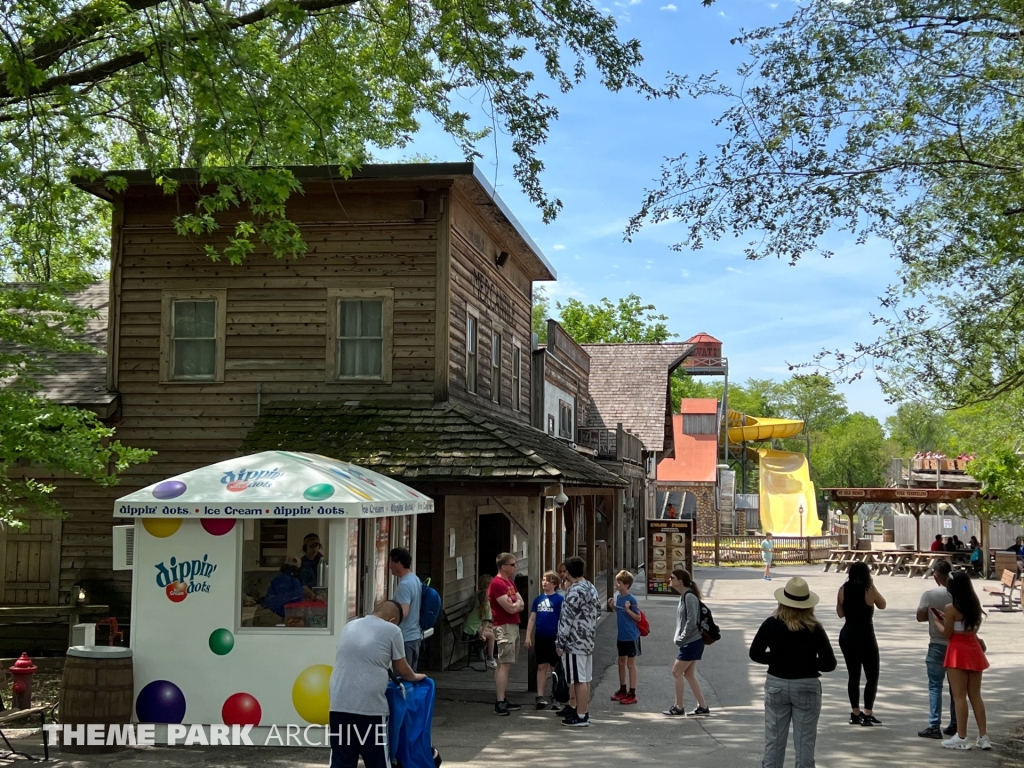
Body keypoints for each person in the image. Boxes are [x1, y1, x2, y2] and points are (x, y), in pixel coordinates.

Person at [749, 576, 837, 768]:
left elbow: (755, 653)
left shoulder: (771, 624)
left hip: (777, 683)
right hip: (806, 685)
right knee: (804, 742)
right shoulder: (815, 628)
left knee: (774, 738)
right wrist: (807, 662)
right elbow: (829, 663)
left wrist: (778, 658)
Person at [328, 600, 426, 768]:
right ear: (393, 620)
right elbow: (401, 669)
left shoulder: (350, 626)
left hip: (339, 705)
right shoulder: (392, 630)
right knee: (377, 760)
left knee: (342, 760)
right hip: (370, 708)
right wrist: (416, 677)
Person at [936, 572, 991, 750]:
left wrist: (938, 621)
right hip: (973, 649)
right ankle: (983, 736)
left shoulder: (951, 608)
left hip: (957, 651)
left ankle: (961, 736)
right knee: (976, 695)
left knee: (959, 696)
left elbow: (947, 634)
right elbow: (972, 630)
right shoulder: (975, 606)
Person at [836, 561, 886, 725]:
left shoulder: (843, 589)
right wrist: (872, 586)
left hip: (847, 635)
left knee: (854, 675)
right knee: (872, 676)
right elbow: (883, 605)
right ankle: (868, 712)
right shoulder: (868, 590)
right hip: (865, 636)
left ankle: (855, 712)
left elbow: (840, 613)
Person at [555, 556, 600, 727]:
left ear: (567, 572)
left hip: (574, 642)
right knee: (585, 678)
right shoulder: (590, 587)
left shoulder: (573, 591)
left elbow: (566, 620)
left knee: (578, 679)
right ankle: (583, 710)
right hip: (588, 639)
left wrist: (560, 643)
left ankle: (581, 715)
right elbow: (597, 612)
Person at [916, 559, 957, 739]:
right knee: (956, 687)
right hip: (956, 644)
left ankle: (934, 725)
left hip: (937, 644)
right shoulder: (959, 593)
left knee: (935, 686)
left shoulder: (929, 594)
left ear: (935, 576)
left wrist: (934, 618)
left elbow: (920, 617)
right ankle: (956, 723)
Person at [663, 569, 710, 717]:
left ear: (680, 581)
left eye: (672, 577)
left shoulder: (689, 597)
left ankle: (679, 707)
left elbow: (692, 622)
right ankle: (703, 706)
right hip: (692, 641)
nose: (669, 580)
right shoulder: (685, 596)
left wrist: (681, 638)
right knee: (688, 674)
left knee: (676, 672)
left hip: (692, 641)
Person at [488, 552, 525, 716]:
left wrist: (515, 604)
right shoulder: (497, 584)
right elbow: (508, 607)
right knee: (503, 663)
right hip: (504, 626)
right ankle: (499, 701)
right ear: (503, 567)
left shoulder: (509, 582)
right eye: (512, 564)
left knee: (506, 663)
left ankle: (502, 697)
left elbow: (521, 603)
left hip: (513, 625)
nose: (514, 567)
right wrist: (515, 605)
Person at [525, 571, 563, 709]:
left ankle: (555, 695)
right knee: (541, 666)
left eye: (548, 580)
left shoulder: (559, 600)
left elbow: (563, 619)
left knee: (555, 667)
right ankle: (540, 696)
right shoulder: (538, 600)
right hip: (540, 636)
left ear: (555, 583)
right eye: (543, 579)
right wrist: (528, 635)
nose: (544, 582)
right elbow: (532, 618)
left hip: (554, 637)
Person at [607, 569, 641, 705]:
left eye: (619, 583)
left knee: (630, 664)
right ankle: (622, 688)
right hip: (621, 636)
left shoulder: (631, 599)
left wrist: (628, 610)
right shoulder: (619, 598)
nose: (617, 585)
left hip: (631, 636)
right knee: (621, 662)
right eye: (617, 582)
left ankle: (632, 693)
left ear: (627, 585)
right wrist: (613, 606)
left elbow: (638, 617)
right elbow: (620, 612)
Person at [389, 548, 423, 671]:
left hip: (405, 638)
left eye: (391, 562)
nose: (390, 566)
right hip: (415, 636)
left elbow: (404, 611)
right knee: (411, 679)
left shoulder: (404, 585)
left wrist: (388, 623)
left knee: (402, 681)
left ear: (399, 563)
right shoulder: (414, 579)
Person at [253, 557, 314, 626]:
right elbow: (285, 601)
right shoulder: (286, 580)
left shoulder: (291, 579)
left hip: (272, 614)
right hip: (272, 615)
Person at [462, 574, 497, 669]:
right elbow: (486, 621)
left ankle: (480, 647)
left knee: (492, 630)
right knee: (492, 635)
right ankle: (490, 658)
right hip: (471, 630)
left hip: (472, 626)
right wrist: (482, 634)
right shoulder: (485, 603)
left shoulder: (478, 596)